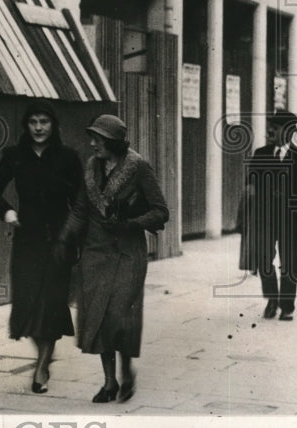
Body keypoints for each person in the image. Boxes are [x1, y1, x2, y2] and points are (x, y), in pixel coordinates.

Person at [63, 113, 169, 404]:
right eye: (92, 137)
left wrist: (131, 223)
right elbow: (81, 210)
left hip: (127, 254)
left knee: (119, 316)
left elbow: (161, 211)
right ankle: (109, 382)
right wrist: (65, 238)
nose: (93, 143)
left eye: (98, 138)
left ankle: (126, 370)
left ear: (113, 142)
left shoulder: (138, 167)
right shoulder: (91, 167)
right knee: (97, 316)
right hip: (95, 254)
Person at [0, 99, 83, 394]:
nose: (39, 128)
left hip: (59, 240)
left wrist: (74, 235)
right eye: (33, 122)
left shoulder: (68, 158)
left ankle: (40, 367)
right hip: (27, 241)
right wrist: (6, 211)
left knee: (51, 304)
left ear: (54, 125)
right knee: (26, 304)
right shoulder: (15, 156)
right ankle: (44, 354)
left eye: (44, 122)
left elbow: (79, 201)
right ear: (26, 126)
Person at [239, 110, 297, 321]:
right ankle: (272, 299)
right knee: (264, 260)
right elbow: (250, 185)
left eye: (276, 126)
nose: (270, 129)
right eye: (270, 125)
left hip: (293, 221)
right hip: (264, 219)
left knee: (289, 263)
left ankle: (286, 306)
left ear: (289, 131)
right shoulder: (261, 154)